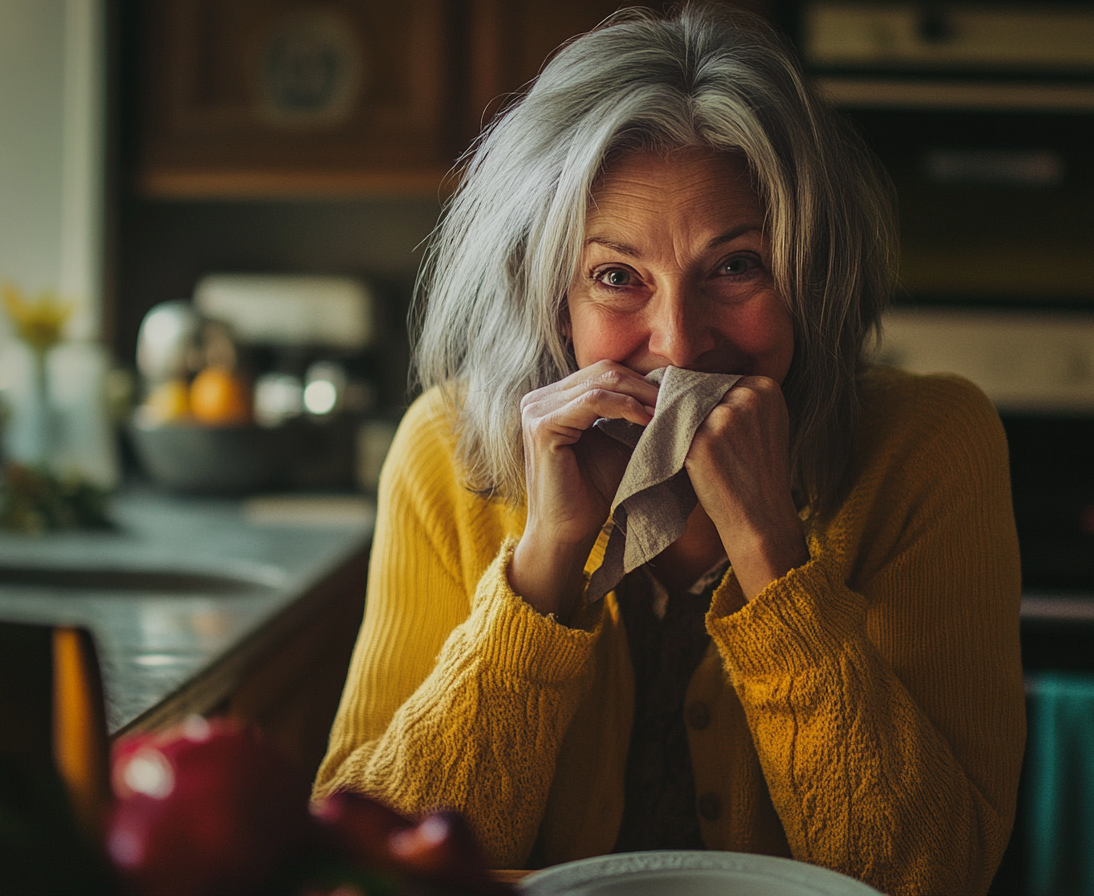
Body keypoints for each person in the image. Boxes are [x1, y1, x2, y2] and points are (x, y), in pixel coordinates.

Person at [313, 5, 1025, 895]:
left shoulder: (931, 448)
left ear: (809, 272)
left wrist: (772, 551)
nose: (680, 346)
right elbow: (364, 870)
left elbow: (928, 876)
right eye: (617, 277)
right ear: (548, 297)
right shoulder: (444, 451)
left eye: (736, 266)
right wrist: (547, 564)